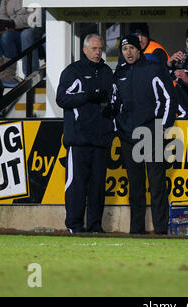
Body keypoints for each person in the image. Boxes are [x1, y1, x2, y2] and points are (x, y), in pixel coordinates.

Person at [112, 34, 177, 235]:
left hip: (151, 133)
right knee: (135, 186)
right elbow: (115, 103)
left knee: (157, 184)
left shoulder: (153, 69)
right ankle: (136, 230)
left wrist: (164, 126)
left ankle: (160, 230)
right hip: (127, 136)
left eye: (132, 48)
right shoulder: (119, 73)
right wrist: (118, 128)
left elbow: (168, 98)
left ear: (139, 50)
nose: (128, 52)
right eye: (125, 49)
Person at [56, 34, 115, 234]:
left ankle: (95, 225)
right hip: (79, 139)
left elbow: (114, 99)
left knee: (98, 187)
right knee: (76, 185)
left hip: (101, 139)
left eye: (100, 48)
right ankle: (74, 225)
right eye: (94, 48)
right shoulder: (73, 71)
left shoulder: (107, 72)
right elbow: (62, 99)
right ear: (85, 50)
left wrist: (111, 111)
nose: (98, 52)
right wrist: (87, 96)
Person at [0, 0, 44, 83]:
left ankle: (16, 74)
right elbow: (2, 13)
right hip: (12, 30)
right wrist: (2, 23)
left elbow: (35, 16)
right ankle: (0, 76)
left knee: (8, 36)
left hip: (30, 29)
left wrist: (12, 23)